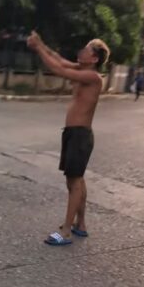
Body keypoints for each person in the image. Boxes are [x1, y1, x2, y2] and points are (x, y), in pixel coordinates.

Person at [26, 31, 110, 246]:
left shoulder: (92, 77)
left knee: (74, 181)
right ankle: (80, 225)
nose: (81, 52)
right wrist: (42, 44)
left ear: (95, 59)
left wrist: (37, 49)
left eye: (87, 50)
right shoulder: (82, 69)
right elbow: (60, 60)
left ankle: (65, 231)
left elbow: (57, 69)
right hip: (74, 133)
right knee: (76, 180)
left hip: (80, 135)